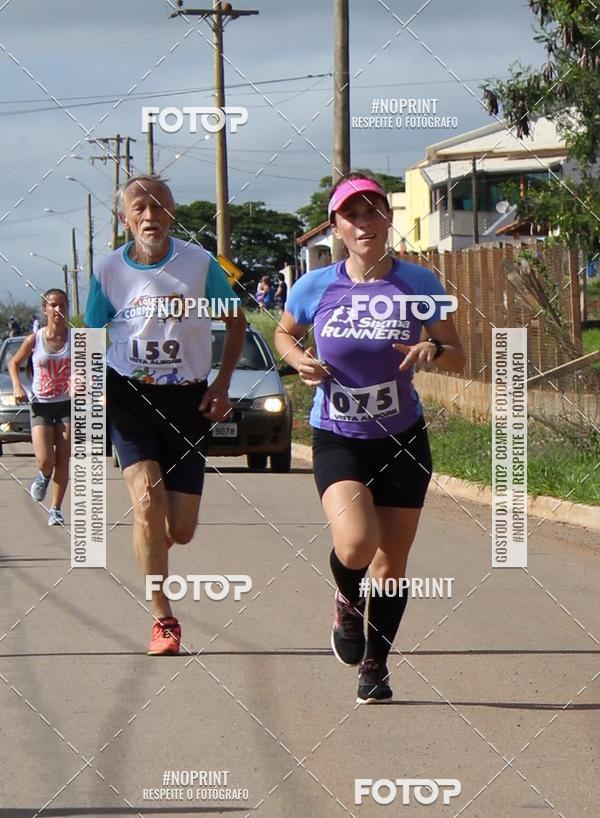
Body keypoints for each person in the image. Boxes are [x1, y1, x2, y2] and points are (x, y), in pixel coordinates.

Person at [274, 172, 465, 703]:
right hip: (338, 436)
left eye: (373, 212)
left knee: (391, 564)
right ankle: (346, 599)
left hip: (402, 438)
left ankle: (375, 666)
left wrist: (432, 350)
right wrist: (298, 358)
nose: (364, 224)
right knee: (357, 543)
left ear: (388, 218)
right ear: (335, 227)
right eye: (351, 215)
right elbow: (285, 332)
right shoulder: (315, 286)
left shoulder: (419, 283)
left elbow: (457, 353)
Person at [85, 174, 246, 656]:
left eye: (159, 206)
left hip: (187, 401)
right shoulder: (109, 270)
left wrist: (221, 385)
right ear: (125, 219)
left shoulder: (199, 264)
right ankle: (163, 618)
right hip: (129, 398)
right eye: (139, 207)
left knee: (180, 529)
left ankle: (149, 542)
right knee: (146, 501)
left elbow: (235, 322)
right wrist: (93, 392)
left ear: (172, 214)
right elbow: (91, 335)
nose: (150, 215)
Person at [8, 289, 71, 526]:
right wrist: (17, 386)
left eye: (62, 305)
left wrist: (83, 382)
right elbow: (14, 362)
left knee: (63, 458)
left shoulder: (77, 339)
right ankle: (43, 475)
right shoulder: (35, 339)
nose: (58, 309)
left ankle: (55, 509)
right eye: (53, 305)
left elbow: (91, 367)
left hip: (67, 404)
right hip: (41, 405)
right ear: (45, 309)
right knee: (46, 460)